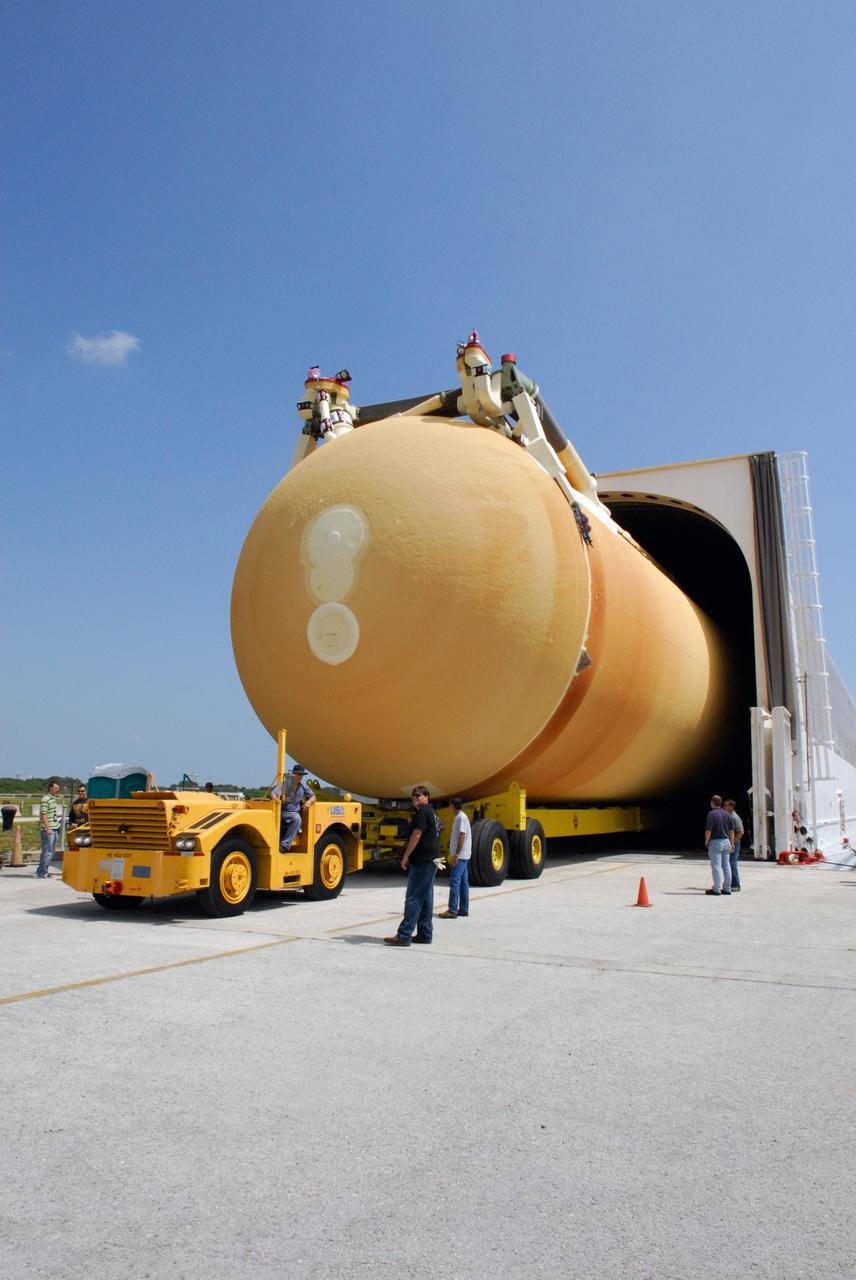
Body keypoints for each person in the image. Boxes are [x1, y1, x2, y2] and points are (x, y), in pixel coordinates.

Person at [385, 786, 440, 946]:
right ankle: (425, 933)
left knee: (413, 897)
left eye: (418, 796)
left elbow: (417, 834)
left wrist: (406, 855)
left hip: (422, 860)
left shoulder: (422, 813)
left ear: (426, 797)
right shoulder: (432, 812)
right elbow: (440, 828)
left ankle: (404, 935)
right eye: (413, 796)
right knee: (426, 898)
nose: (414, 798)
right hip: (431, 859)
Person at [439, 797, 471, 918]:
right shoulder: (460, 817)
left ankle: (452, 910)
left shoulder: (460, 817)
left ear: (452, 806)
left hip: (460, 855)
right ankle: (463, 909)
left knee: (454, 881)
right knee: (463, 882)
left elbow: (462, 835)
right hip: (463, 854)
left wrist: (456, 854)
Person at [270, 765, 315, 850]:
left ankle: (284, 845)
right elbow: (273, 793)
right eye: (298, 774)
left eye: (302, 775)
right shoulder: (286, 784)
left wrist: (309, 802)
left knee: (297, 819)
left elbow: (313, 797)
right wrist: (276, 799)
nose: (300, 777)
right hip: (281, 810)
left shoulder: (303, 786)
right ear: (293, 774)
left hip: (293, 812)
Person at [704, 793, 734, 896]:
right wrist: (732, 843)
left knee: (716, 866)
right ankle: (727, 888)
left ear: (712, 803)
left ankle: (716, 889)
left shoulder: (711, 814)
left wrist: (706, 841)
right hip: (726, 841)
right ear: (721, 803)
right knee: (726, 866)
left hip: (716, 842)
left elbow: (708, 830)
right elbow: (731, 830)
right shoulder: (727, 814)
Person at [37, 779, 61, 879]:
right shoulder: (45, 799)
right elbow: (43, 815)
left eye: (58, 788)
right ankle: (42, 872)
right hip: (49, 828)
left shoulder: (53, 799)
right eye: (55, 788)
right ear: (50, 788)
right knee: (47, 851)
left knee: (51, 851)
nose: (57, 790)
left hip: (55, 827)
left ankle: (42, 870)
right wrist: (47, 828)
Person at [723, 800, 744, 891]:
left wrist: (733, 843)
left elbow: (740, 832)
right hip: (731, 842)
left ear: (731, 806)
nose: (724, 807)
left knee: (732, 863)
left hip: (734, 843)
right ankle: (731, 883)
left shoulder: (734, 817)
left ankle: (736, 884)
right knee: (729, 863)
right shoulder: (729, 816)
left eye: (725, 805)